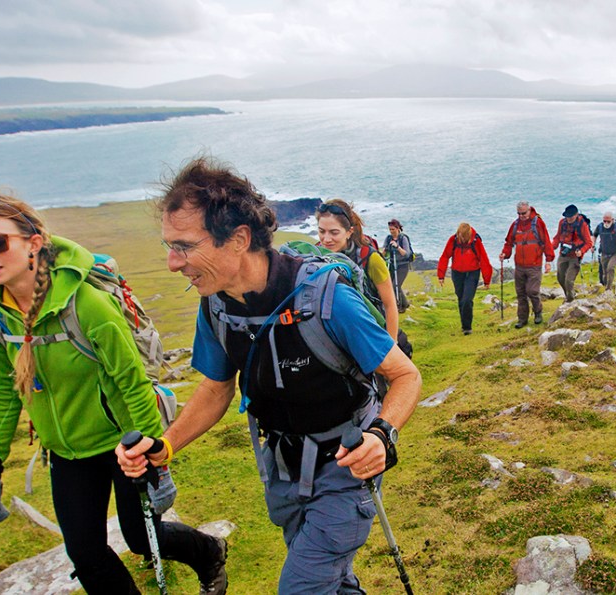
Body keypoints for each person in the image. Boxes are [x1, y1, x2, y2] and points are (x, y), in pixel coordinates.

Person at [116, 157, 421, 594]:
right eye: (170, 245)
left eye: (184, 246)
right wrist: (165, 445)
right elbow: (217, 388)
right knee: (330, 582)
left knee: (301, 588)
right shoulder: (217, 305)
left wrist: (382, 434)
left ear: (239, 238)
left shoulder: (326, 299)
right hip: (281, 472)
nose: (171, 262)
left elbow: (405, 375)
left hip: (344, 470)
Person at [0, 194, 227, 595]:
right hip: (66, 453)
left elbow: (133, 381)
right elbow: (3, 395)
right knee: (86, 556)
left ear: (33, 243)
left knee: (141, 538)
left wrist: (156, 457)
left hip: (122, 445)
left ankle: (208, 551)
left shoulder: (87, 304)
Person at [317, 199, 401, 342]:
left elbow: (390, 305)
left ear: (349, 232)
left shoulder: (371, 259)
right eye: (321, 231)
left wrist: (391, 347)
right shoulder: (315, 256)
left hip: (368, 332)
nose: (326, 239)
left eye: (334, 232)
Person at [500, 200, 554, 328]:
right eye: (519, 213)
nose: (521, 216)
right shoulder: (515, 225)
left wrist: (548, 261)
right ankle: (522, 319)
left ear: (529, 210)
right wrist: (504, 254)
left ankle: (538, 312)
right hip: (519, 266)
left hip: (534, 265)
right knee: (521, 293)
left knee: (532, 291)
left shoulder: (538, 223)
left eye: (523, 213)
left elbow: (546, 242)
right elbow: (509, 243)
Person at [437, 222, 492, 335]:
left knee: (467, 299)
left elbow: (484, 260)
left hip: (472, 273)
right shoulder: (453, 240)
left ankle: (467, 327)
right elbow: (445, 256)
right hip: (457, 273)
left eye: (463, 237)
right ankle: (464, 324)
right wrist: (441, 275)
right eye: (460, 236)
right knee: (461, 298)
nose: (461, 239)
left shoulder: (476, 242)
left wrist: (487, 280)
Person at [551, 204, 593, 302]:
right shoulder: (562, 223)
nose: (568, 218)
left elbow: (588, 243)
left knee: (569, 281)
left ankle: (570, 300)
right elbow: (557, 237)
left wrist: (581, 251)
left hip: (575, 256)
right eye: (567, 216)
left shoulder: (582, 225)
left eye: (571, 216)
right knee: (560, 278)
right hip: (563, 254)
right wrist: (552, 247)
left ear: (576, 215)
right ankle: (569, 295)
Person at [593, 212, 616, 292]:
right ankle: (606, 285)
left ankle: (608, 289)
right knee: (604, 272)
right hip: (604, 252)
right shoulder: (600, 227)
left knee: (610, 268)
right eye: (604, 221)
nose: (606, 223)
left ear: (612, 220)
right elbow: (594, 235)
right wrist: (593, 245)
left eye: (608, 221)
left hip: (615, 252)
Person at [382, 218, 413, 313]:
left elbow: (406, 253)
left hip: (403, 265)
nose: (391, 232)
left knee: (396, 285)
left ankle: (400, 306)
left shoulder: (403, 238)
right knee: (392, 285)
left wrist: (398, 247)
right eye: (390, 230)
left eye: (393, 230)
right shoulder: (388, 238)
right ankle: (405, 303)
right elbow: (384, 251)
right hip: (392, 264)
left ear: (398, 228)